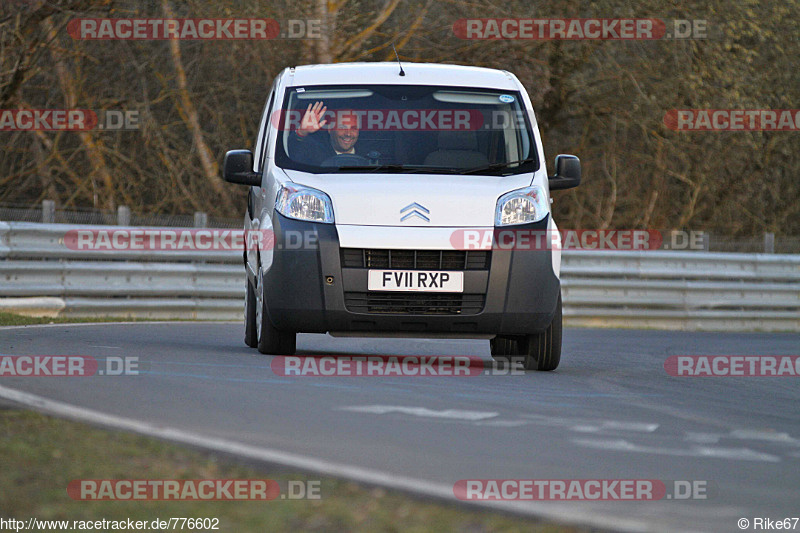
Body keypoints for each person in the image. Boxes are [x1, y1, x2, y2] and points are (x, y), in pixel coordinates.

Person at [288, 101, 363, 165]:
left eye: (354, 128)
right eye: (342, 127)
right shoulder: (315, 153)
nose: (348, 134)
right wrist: (302, 132)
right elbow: (293, 154)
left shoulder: (369, 153)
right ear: (330, 129)